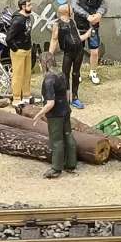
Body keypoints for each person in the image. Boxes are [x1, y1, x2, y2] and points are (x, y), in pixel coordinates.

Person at [33, 50, 77, 178]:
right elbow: (68, 94)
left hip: (55, 115)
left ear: (43, 63)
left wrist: (39, 114)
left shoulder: (48, 80)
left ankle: (56, 168)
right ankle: (71, 163)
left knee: (56, 140)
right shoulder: (62, 75)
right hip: (65, 111)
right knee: (68, 136)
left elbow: (50, 103)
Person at [51, 1, 86, 109]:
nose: (72, 9)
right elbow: (54, 39)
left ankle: (75, 97)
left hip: (79, 51)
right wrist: (50, 54)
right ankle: (66, 97)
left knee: (76, 74)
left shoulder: (72, 21)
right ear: (66, 10)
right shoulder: (57, 24)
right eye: (70, 7)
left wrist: (87, 35)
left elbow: (78, 37)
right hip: (68, 52)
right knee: (65, 74)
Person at [74, 0, 107, 85]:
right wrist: (87, 16)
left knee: (95, 51)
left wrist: (98, 15)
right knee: (78, 51)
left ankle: (93, 72)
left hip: (93, 27)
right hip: (80, 26)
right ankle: (76, 72)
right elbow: (75, 7)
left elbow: (103, 6)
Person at [6, 0, 35, 108]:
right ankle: (16, 98)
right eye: (29, 5)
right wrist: (16, 49)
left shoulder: (27, 17)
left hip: (27, 49)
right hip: (19, 50)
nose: (31, 7)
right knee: (18, 75)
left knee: (27, 74)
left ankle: (26, 95)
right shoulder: (18, 21)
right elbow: (9, 38)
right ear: (23, 6)